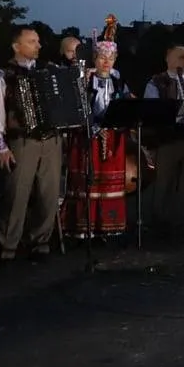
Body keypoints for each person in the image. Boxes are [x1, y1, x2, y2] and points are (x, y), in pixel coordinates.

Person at [0, 27, 63, 261]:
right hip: (22, 140)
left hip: (50, 139)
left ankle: (40, 241)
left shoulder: (48, 72)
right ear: (16, 46)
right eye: (32, 41)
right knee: (16, 194)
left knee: (49, 192)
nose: (38, 45)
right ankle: (7, 244)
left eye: (38, 41)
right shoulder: (3, 75)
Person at [64, 37, 132, 240]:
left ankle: (110, 227)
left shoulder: (118, 80)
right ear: (95, 57)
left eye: (111, 57)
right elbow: (77, 108)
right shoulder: (85, 79)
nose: (106, 61)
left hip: (113, 138)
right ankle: (84, 228)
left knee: (109, 183)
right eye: (102, 57)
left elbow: (126, 105)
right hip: (88, 137)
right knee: (88, 180)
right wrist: (94, 126)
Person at [144, 45, 184, 235]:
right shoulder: (156, 82)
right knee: (163, 181)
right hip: (168, 138)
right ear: (168, 59)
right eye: (180, 57)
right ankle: (160, 220)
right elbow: (151, 111)